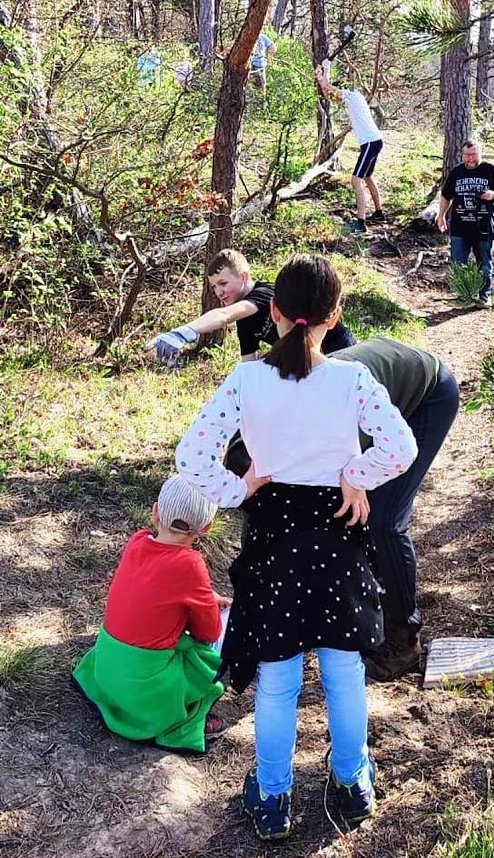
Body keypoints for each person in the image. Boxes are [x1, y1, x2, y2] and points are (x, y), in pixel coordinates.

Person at [176, 255, 417, 839]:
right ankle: (353, 781)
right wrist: (356, 475)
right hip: (338, 533)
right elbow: (402, 448)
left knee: (279, 678)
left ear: (275, 312)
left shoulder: (247, 380)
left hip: (274, 534)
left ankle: (273, 796)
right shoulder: (352, 379)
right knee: (343, 669)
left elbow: (191, 457)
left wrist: (238, 489)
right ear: (336, 316)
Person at [224, 336, 460, 681]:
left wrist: (356, 477)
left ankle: (403, 638)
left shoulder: (324, 430)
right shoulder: (251, 431)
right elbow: (263, 539)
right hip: (380, 385)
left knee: (381, 521)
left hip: (427, 393)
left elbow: (383, 459)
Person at [72, 476, 231, 754]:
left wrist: (204, 597)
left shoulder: (137, 542)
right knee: (232, 620)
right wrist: (208, 605)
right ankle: (185, 714)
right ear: (206, 528)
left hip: (107, 672)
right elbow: (208, 632)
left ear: (155, 512)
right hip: (145, 693)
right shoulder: (190, 563)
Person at [148, 248, 356, 365]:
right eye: (214, 287)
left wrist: (184, 332)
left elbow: (224, 315)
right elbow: (249, 364)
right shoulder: (245, 324)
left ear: (244, 277)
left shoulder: (265, 293)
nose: (219, 292)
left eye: (223, 283)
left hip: (338, 347)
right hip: (308, 360)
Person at [437, 140, 494, 308]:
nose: (470, 158)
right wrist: (441, 216)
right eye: (467, 155)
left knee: (484, 264)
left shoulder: (491, 170)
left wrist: (493, 195)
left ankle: (485, 296)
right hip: (460, 226)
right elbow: (446, 196)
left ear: (480, 154)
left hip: (484, 226)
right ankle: (463, 296)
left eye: (474, 155)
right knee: (458, 263)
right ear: (462, 155)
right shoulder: (457, 172)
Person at [315, 61, 385, 235]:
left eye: (338, 92)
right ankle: (379, 213)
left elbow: (328, 88)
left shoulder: (352, 96)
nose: (337, 97)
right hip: (374, 141)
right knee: (367, 177)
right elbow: (327, 91)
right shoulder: (352, 99)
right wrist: (320, 76)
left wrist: (326, 68)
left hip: (370, 142)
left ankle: (361, 224)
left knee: (356, 180)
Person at [250, 32, 277, 101]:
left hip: (260, 67)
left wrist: (268, 57)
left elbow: (273, 48)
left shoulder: (262, 37)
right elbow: (273, 48)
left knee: (259, 90)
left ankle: (260, 104)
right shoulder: (258, 36)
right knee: (256, 90)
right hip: (252, 67)